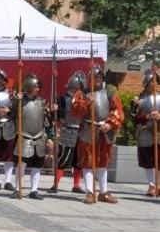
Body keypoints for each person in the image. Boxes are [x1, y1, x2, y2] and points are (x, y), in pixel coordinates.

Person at [71, 64, 123, 204]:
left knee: (103, 162)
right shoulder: (82, 94)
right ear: (90, 79)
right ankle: (90, 192)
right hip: (88, 130)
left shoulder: (109, 94)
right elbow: (76, 112)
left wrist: (110, 124)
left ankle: (103, 192)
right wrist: (87, 102)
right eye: (95, 77)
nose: (98, 79)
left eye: (100, 77)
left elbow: (117, 112)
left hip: (105, 131)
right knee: (88, 162)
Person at [11, 74, 54, 199]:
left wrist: (51, 137)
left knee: (37, 166)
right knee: (21, 165)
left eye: (38, 87)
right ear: (29, 87)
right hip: (24, 137)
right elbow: (13, 114)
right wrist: (16, 102)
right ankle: (18, 189)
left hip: (39, 137)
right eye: (35, 87)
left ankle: (34, 190)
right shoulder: (20, 101)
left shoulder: (42, 102)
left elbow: (47, 121)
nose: (38, 89)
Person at [48, 70, 86, 194]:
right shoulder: (63, 99)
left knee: (79, 161)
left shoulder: (85, 99)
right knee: (62, 160)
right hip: (68, 131)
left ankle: (76, 185)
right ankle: (55, 185)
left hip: (81, 131)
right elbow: (58, 117)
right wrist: (55, 111)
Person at [131, 69, 160, 196]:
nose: (153, 84)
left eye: (155, 81)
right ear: (146, 83)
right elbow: (134, 116)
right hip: (145, 131)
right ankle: (151, 185)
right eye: (150, 82)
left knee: (159, 160)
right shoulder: (139, 99)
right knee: (148, 160)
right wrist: (147, 116)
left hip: (159, 130)